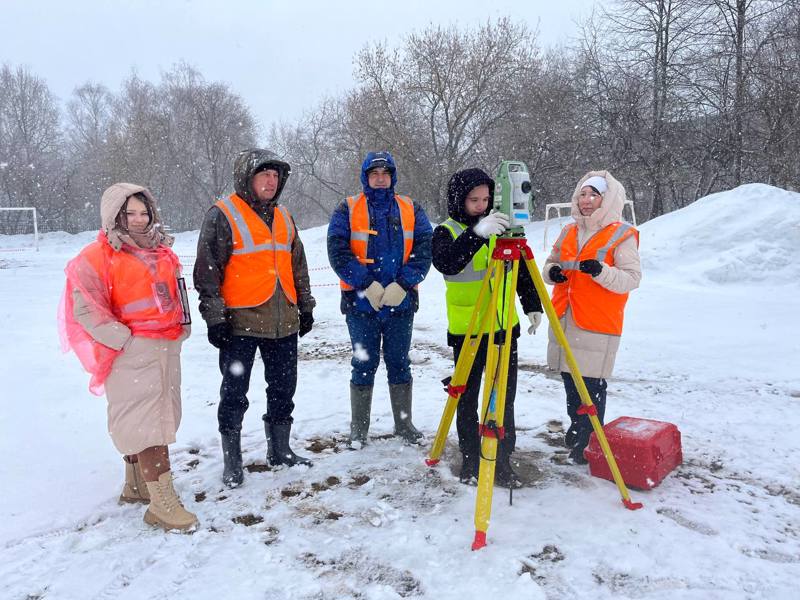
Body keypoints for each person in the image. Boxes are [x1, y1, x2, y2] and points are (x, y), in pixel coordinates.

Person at [59, 183, 197, 532]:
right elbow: (86, 310)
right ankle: (162, 504)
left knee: (160, 416)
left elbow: (177, 293)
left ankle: (136, 485)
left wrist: (182, 327)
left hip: (166, 349)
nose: (139, 220)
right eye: (129, 213)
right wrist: (125, 341)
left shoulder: (163, 251)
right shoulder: (96, 256)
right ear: (114, 216)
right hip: (131, 354)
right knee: (148, 425)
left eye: (144, 212)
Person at [194, 149, 316, 488]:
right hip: (239, 324)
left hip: (283, 321)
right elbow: (207, 271)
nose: (271, 181)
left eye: (276, 176)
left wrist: (305, 306)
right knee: (234, 394)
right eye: (264, 174)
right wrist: (215, 318)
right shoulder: (223, 214)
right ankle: (233, 460)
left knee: (283, 390)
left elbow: (298, 265)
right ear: (247, 178)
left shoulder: (284, 216)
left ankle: (280, 450)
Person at [432, 168, 543, 488]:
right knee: (467, 400)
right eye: (473, 200)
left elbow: (519, 269)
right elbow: (447, 263)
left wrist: (532, 304)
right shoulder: (447, 231)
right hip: (467, 331)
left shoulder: (500, 226)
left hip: (504, 328)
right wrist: (476, 233)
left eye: (485, 199)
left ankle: (501, 459)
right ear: (459, 199)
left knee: (503, 399)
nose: (481, 205)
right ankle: (470, 458)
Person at [327, 151, 433, 447]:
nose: (380, 178)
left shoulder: (411, 207)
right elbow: (338, 252)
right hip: (361, 305)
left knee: (399, 363)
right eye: (374, 173)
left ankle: (404, 423)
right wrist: (367, 284)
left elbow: (425, 249)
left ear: (392, 176)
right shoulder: (347, 208)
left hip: (401, 302)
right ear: (366, 177)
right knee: (363, 363)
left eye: (385, 173)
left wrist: (404, 283)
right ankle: (359, 428)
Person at [542, 171, 641, 464]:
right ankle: (578, 432)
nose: (586, 201)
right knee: (571, 382)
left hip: (597, 322)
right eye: (583, 194)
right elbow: (551, 262)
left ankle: (589, 440)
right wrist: (553, 273)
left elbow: (631, 279)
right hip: (565, 318)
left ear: (607, 198)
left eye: (594, 195)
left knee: (592, 387)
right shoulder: (569, 231)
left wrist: (601, 272)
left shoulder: (622, 233)